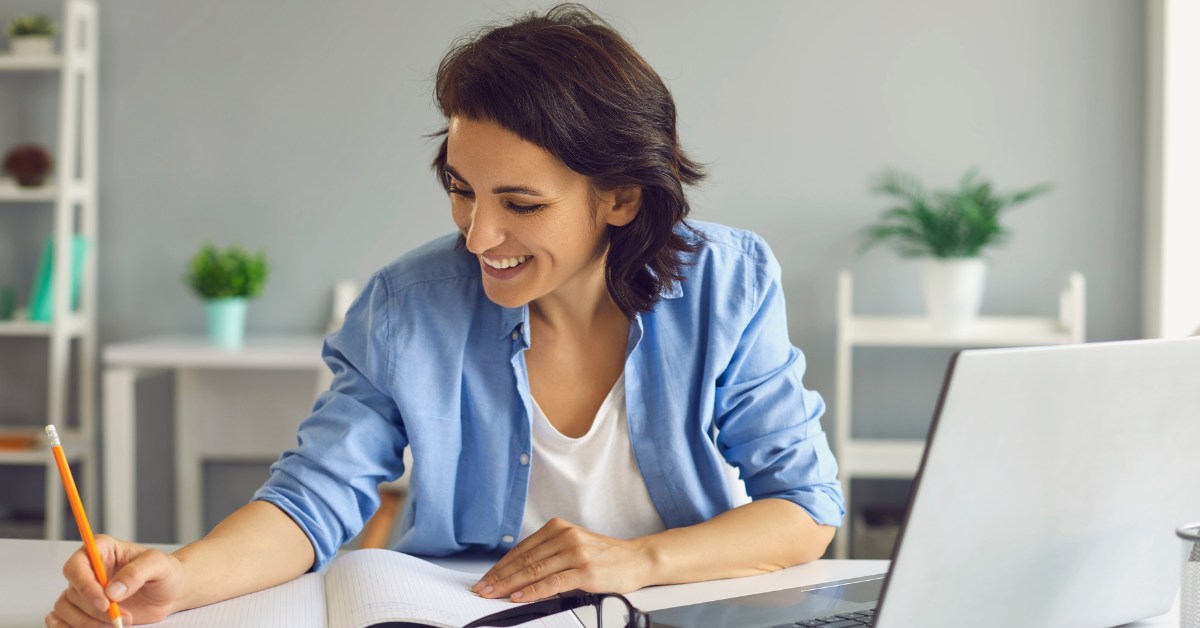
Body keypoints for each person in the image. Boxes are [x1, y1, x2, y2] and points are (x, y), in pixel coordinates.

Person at [47, 5, 844, 627]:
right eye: (461, 188)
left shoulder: (724, 283)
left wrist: (635, 561)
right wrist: (180, 577)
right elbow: (311, 501)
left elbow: (806, 511)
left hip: (668, 606)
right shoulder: (407, 305)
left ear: (621, 196)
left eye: (520, 204)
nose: (477, 235)